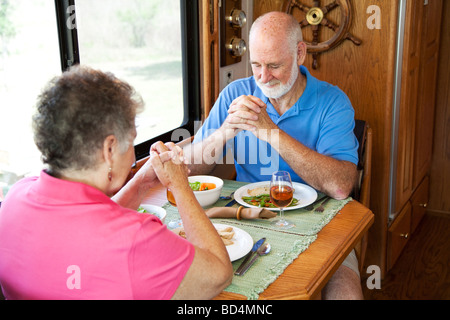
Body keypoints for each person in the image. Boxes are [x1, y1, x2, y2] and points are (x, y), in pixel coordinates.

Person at [0, 66, 232, 300]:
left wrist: (141, 183)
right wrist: (180, 185)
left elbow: (94, 222)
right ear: (109, 149)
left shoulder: (13, 199)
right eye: (132, 141)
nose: (132, 155)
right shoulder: (136, 237)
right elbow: (218, 274)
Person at [186, 12, 363, 299]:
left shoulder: (333, 102)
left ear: (300, 53)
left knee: (346, 293)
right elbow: (187, 172)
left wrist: (271, 132)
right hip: (245, 219)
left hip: (322, 225)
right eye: (256, 65)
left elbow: (341, 185)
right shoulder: (236, 94)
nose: (263, 77)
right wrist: (224, 132)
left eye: (274, 66)